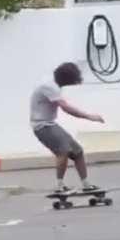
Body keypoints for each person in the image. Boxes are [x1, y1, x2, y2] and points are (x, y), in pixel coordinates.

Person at [30, 62, 104, 193]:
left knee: (77, 151)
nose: (73, 83)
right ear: (67, 79)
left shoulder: (53, 85)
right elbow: (66, 108)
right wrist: (89, 117)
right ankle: (60, 186)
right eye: (73, 80)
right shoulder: (49, 87)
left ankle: (86, 184)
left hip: (50, 124)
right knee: (63, 151)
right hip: (42, 126)